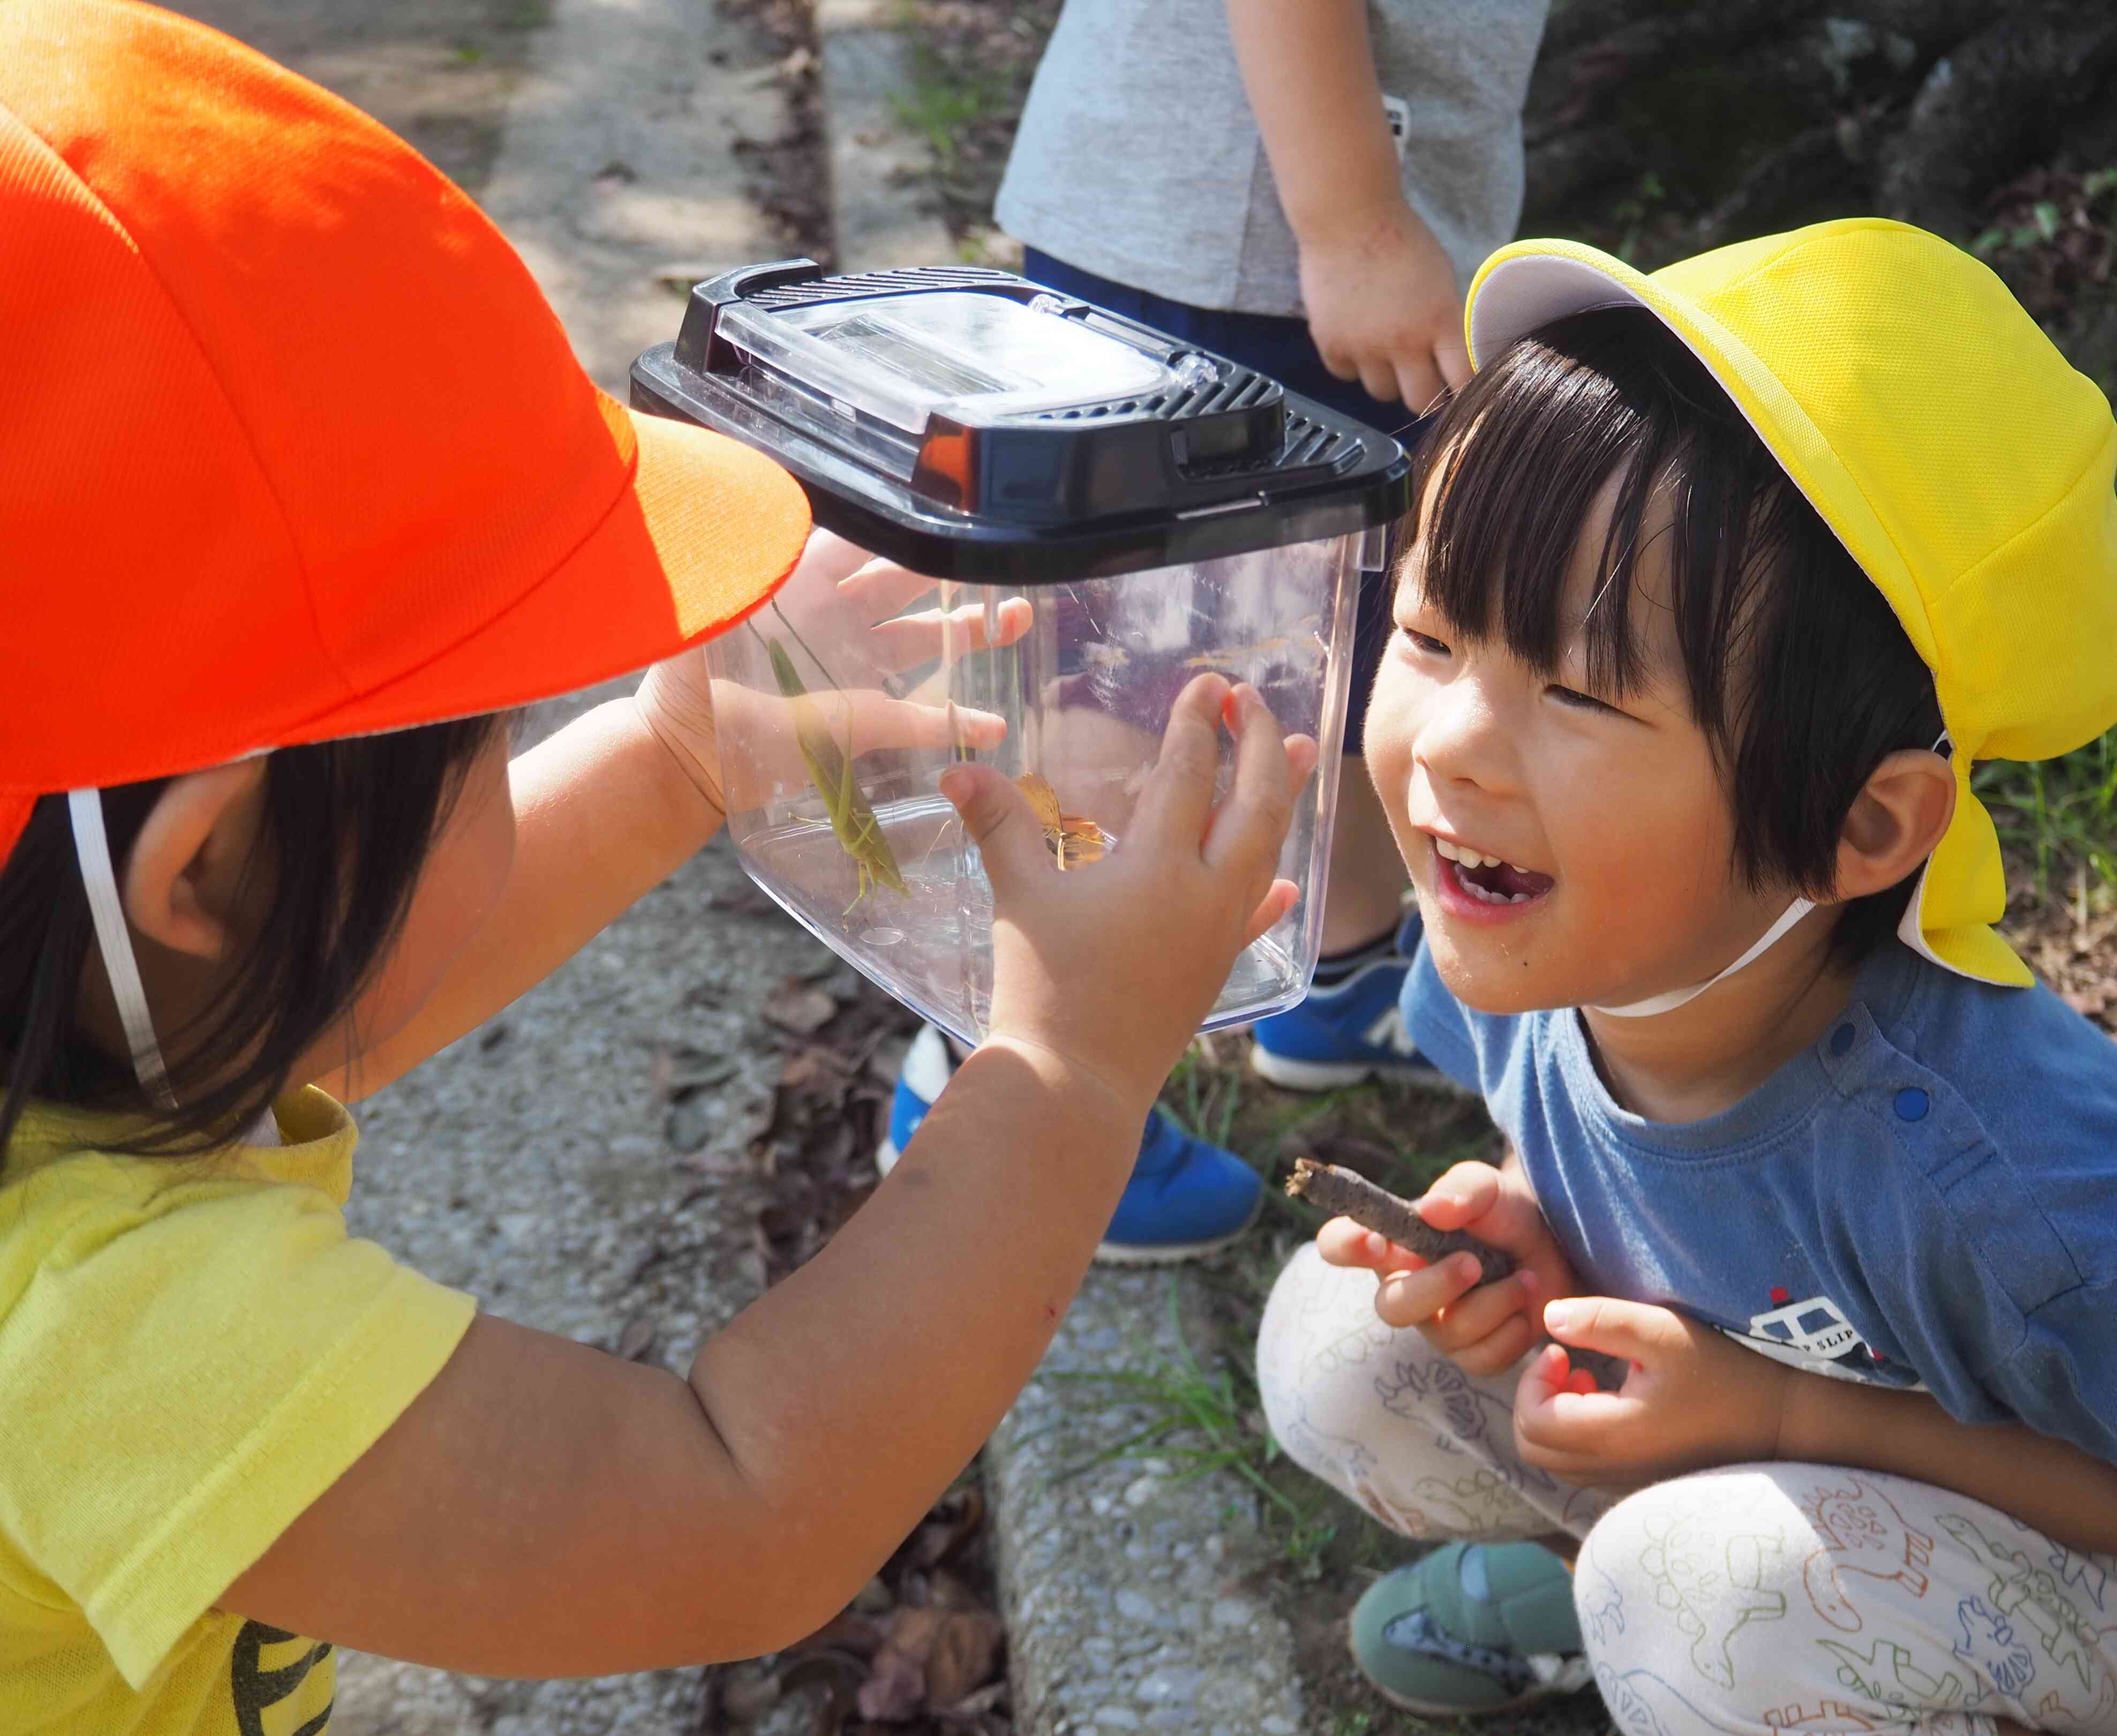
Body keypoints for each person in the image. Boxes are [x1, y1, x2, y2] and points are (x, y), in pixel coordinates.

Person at [0, 6, 1313, 1731]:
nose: (510, 753)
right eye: (486, 729)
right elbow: (733, 1505)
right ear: (202, 871)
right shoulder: (99, 1335)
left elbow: (330, 1001)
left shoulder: (84, 1046)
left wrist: (689, 750)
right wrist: (1069, 1064)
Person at [1255, 218, 2117, 1732]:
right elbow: (1588, 1167)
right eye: (1434, 632)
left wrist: (1786, 1413)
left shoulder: (2019, 1178)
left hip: (2071, 1548)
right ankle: (1638, 1586)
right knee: (1340, 1353)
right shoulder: (1527, 945)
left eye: (1581, 690)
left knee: (1708, 1598)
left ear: (1857, 825)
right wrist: (1523, 1216)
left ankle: (1730, 1620)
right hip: (1802, 1481)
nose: (1451, 744)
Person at [882, 0, 1552, 1261]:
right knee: (1135, 684)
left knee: (1350, 629)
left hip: (1325, 211)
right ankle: (999, 1077)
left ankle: (1337, 978)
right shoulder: (1306, 221)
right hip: (1233, 225)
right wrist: (1348, 217)